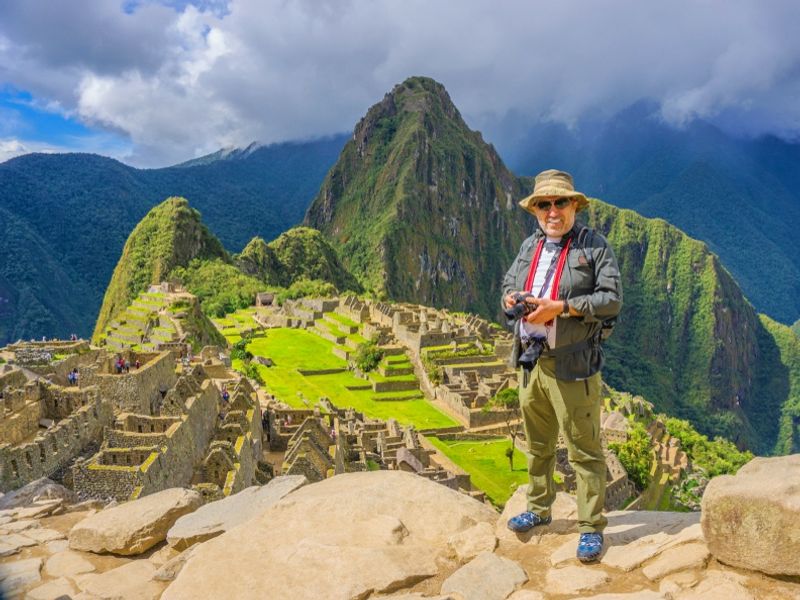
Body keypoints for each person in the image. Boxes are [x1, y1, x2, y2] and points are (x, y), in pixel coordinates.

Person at [501, 169, 622, 563]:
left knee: (583, 448)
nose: (552, 211)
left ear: (574, 205)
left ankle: (590, 527)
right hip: (530, 360)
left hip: (572, 364)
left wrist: (563, 308)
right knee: (537, 444)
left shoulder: (594, 247)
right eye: (544, 204)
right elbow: (508, 282)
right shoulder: (529, 246)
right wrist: (509, 300)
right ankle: (538, 508)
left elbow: (611, 300)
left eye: (560, 203)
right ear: (536, 209)